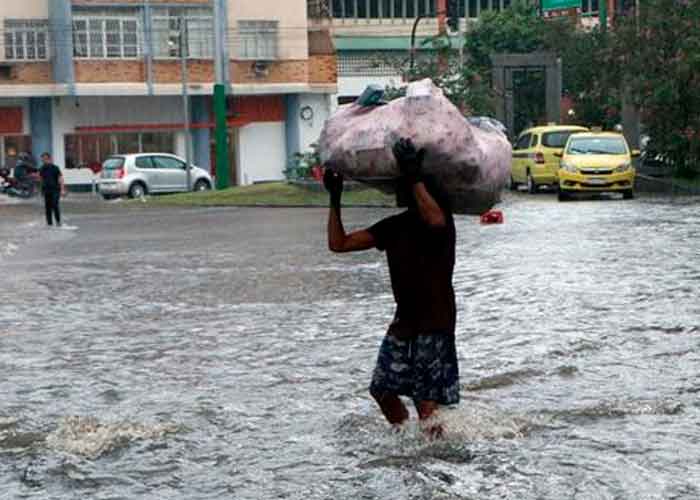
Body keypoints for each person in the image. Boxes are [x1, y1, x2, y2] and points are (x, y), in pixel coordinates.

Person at [324, 138, 459, 438]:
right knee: (382, 389)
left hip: (435, 323)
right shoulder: (394, 226)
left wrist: (413, 174)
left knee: (426, 404)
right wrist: (335, 199)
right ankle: (404, 439)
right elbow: (339, 244)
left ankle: (433, 453)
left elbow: (434, 218)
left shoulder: (441, 221)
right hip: (405, 323)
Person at [38, 152, 65, 227]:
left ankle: (58, 222)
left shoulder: (55, 168)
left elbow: (60, 178)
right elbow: (40, 179)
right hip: (46, 190)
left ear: (50, 159)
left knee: (55, 204)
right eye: (42, 160)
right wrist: (40, 190)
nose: (44, 161)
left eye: (45, 159)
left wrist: (62, 189)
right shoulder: (42, 168)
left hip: (55, 189)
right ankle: (49, 224)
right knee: (48, 207)